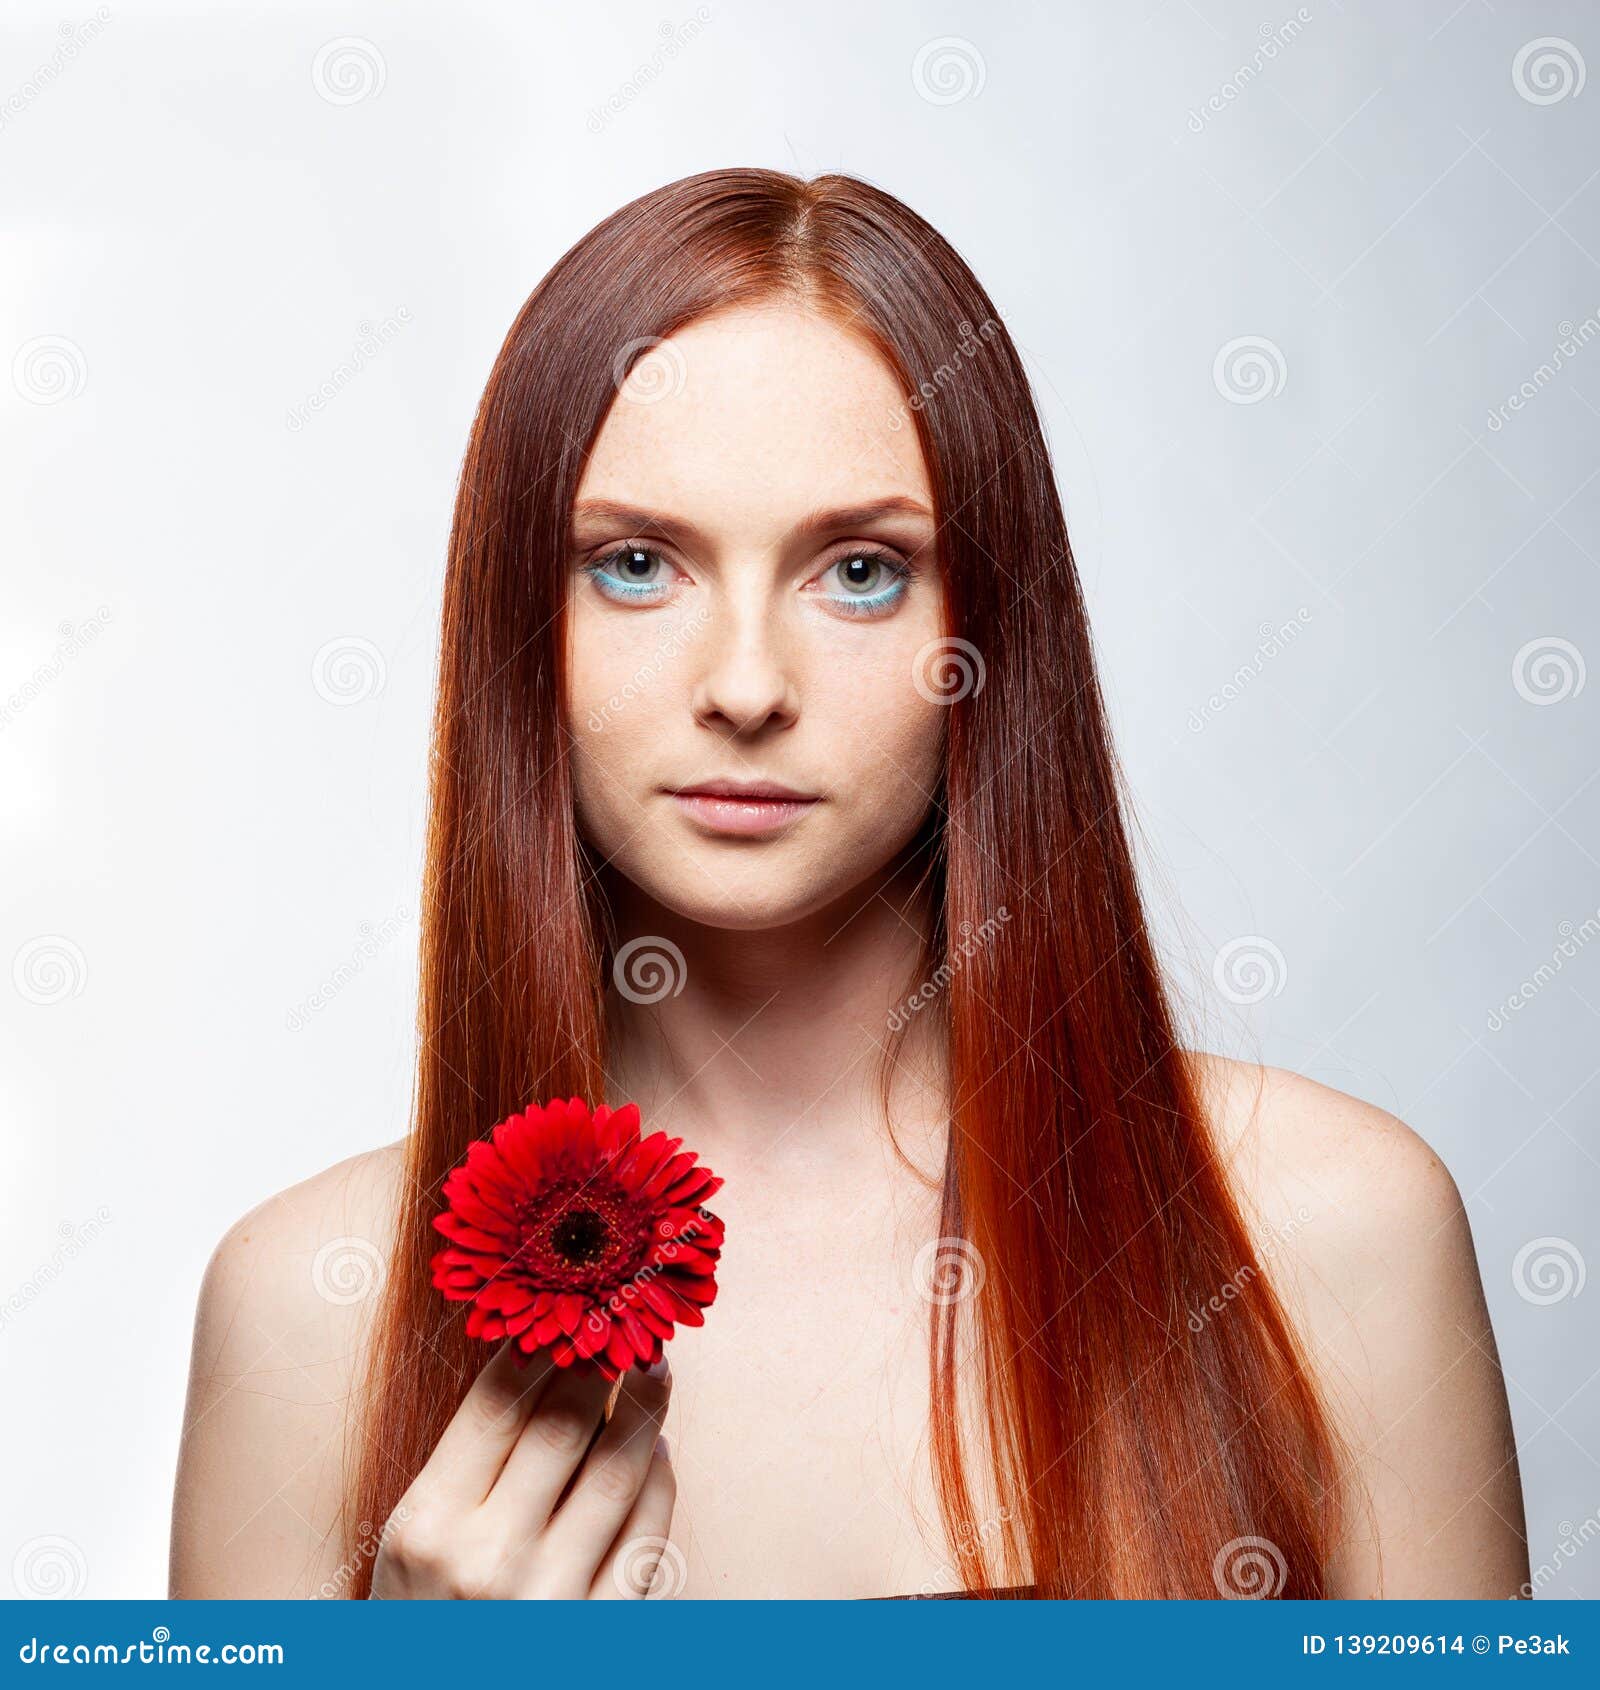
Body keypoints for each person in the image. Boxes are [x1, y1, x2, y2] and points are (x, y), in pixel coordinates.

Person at [169, 168, 1528, 1601]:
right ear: (525, 624)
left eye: (863, 571)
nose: (747, 684)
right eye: (636, 564)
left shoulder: (1336, 1232)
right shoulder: (305, 1316)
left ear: (991, 630)